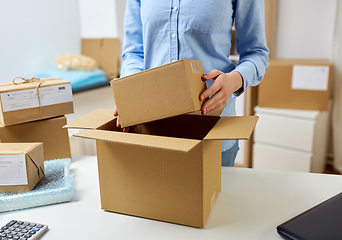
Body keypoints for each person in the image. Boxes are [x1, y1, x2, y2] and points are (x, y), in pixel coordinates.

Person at [113, 0, 269, 167]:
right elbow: (134, 52)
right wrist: (128, 93)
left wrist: (236, 79)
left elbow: (257, 53)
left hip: (213, 132)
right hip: (152, 131)